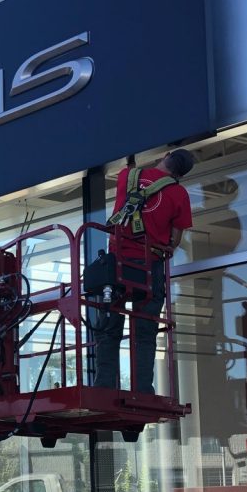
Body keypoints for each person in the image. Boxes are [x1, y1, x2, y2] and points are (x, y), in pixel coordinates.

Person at [92, 148, 195, 440]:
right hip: (149, 267)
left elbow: (132, 175)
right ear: (182, 173)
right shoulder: (179, 194)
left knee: (108, 330)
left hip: (116, 265)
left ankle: (104, 387)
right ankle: (141, 391)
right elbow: (176, 236)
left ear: (164, 156)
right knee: (144, 333)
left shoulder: (128, 176)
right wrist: (169, 246)